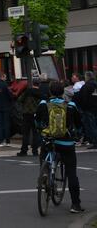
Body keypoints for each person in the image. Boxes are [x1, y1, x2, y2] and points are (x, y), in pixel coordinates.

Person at [36, 81, 84, 213]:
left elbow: (37, 121)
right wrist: (78, 135)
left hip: (49, 141)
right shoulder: (70, 105)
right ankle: (75, 205)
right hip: (66, 142)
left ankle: (44, 175)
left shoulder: (43, 104)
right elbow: (79, 124)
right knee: (71, 173)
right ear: (63, 92)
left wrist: (42, 131)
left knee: (44, 155)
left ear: (50, 92)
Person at [17, 82, 41, 156]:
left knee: (26, 133)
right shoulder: (40, 93)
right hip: (36, 114)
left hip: (26, 114)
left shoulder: (27, 92)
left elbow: (19, 100)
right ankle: (35, 150)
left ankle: (24, 150)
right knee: (35, 133)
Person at [77, 71, 97, 148]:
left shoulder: (86, 86)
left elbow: (83, 99)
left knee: (91, 126)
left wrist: (83, 108)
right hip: (95, 108)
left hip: (88, 109)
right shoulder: (95, 85)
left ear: (87, 77)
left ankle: (95, 142)